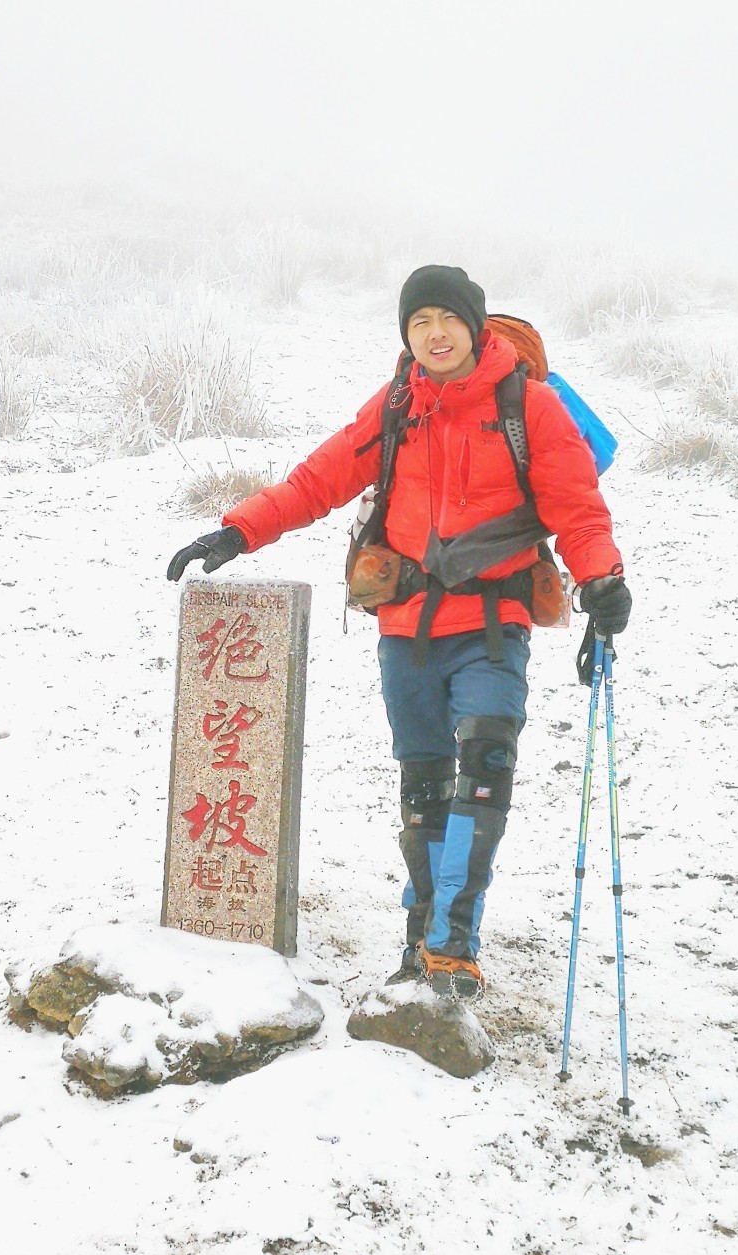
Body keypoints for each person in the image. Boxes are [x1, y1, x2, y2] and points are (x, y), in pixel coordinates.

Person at [167, 265, 631, 998]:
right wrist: (236, 531)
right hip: (406, 630)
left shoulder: (531, 408)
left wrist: (602, 578)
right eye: (420, 323)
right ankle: (423, 937)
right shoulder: (396, 408)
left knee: (483, 773)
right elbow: (316, 480)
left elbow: (577, 506)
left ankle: (452, 944)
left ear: (475, 328)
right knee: (425, 789)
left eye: (447, 319)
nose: (435, 334)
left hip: (491, 625)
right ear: (407, 334)